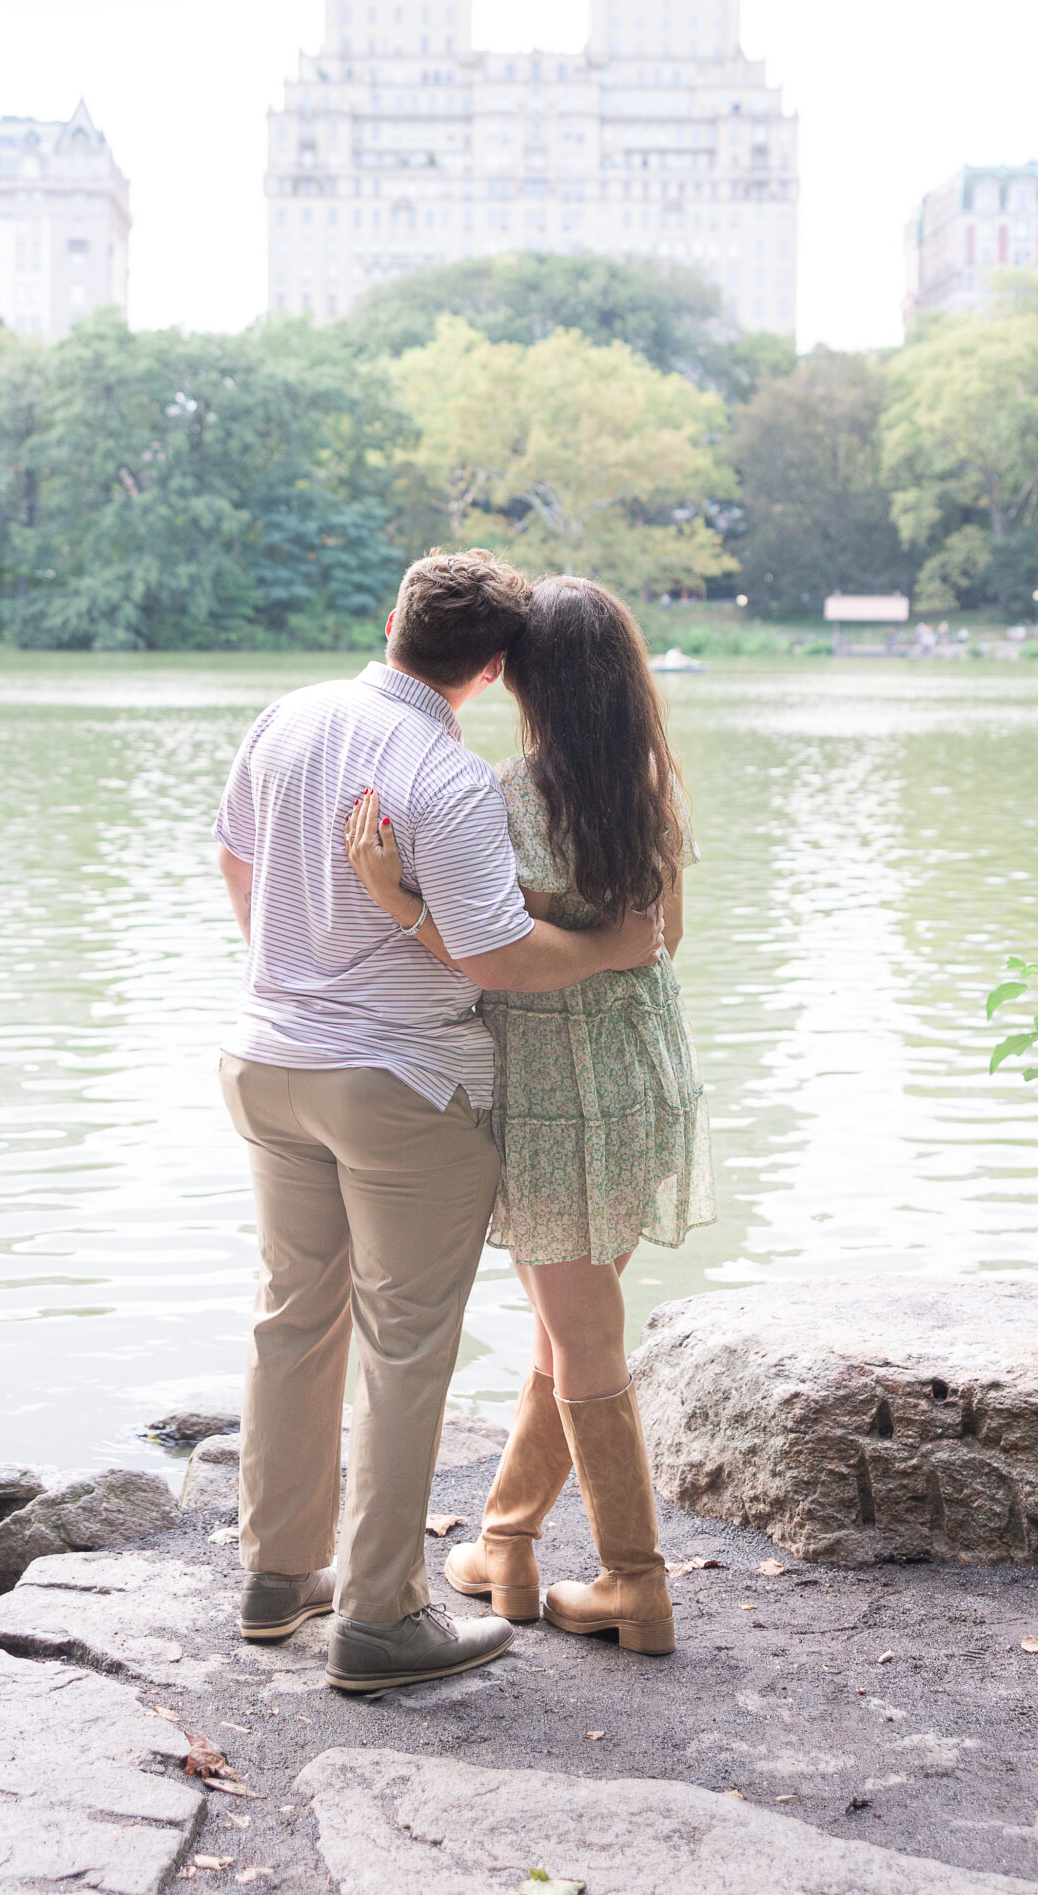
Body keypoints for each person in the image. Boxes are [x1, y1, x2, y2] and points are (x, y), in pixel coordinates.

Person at [213, 550, 664, 1696]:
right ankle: (379, 1619)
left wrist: (295, 969)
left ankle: (276, 1578)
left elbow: (236, 861)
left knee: (290, 1317)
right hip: (398, 1086)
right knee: (406, 1346)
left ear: (392, 620)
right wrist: (618, 945)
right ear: (490, 670)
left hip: (265, 1056)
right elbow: (499, 956)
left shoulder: (290, 713)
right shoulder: (449, 777)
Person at [344, 572, 714, 1659]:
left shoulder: (503, 801)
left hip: (554, 1100)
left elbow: (487, 957)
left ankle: (634, 1584)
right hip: (644, 1078)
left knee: (583, 1334)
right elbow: (663, 943)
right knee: (571, 1323)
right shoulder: (652, 796)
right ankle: (504, 1545)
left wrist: (392, 898)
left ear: (524, 682)